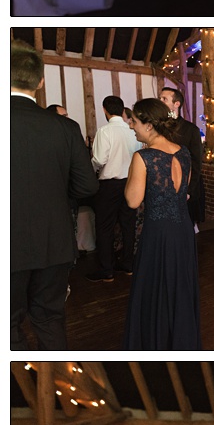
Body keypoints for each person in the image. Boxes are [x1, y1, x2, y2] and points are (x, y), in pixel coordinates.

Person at [12, 41, 98, 349]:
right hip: (55, 241)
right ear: (40, 82)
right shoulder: (65, 127)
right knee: (49, 318)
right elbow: (88, 186)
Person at [122, 97, 199, 348]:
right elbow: (183, 192)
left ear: (148, 124)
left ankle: (156, 341)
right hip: (184, 230)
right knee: (180, 288)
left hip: (157, 232)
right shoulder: (184, 152)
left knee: (154, 289)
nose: (132, 126)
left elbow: (133, 201)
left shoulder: (143, 157)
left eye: (134, 121)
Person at [87, 93, 141, 282]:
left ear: (105, 110)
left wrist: (92, 170)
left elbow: (99, 159)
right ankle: (128, 264)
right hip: (130, 183)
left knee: (104, 227)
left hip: (109, 185)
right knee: (128, 225)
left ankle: (107, 269)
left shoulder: (104, 131)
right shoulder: (132, 131)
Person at [158, 85, 206, 229]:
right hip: (163, 186)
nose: (160, 101)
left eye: (164, 99)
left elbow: (196, 162)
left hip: (185, 187)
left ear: (176, 104)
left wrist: (189, 190)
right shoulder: (158, 127)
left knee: (185, 228)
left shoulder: (191, 130)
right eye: (160, 98)